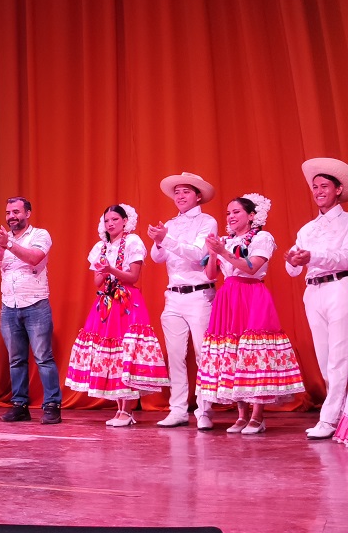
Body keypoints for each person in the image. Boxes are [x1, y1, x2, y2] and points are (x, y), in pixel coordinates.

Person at [198, 194, 305, 434]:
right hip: (228, 297)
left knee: (253, 352)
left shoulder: (262, 237)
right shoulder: (226, 240)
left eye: (236, 212)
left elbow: (252, 266)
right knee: (232, 352)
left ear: (252, 216)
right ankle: (241, 414)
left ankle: (257, 415)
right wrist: (214, 252)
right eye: (228, 213)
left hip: (251, 295)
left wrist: (223, 251)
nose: (231, 217)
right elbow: (210, 275)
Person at [66, 205, 169, 426]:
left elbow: (133, 277)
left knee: (125, 351)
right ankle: (119, 409)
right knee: (111, 352)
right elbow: (96, 281)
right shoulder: (100, 247)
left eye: (115, 219)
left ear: (125, 221)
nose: (110, 224)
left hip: (127, 300)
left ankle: (128, 410)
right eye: (107, 220)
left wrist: (111, 269)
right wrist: (103, 270)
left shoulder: (132, 242)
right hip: (106, 301)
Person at [147, 172, 218, 429]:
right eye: (177, 192)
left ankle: (204, 410)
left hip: (200, 294)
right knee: (175, 355)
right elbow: (157, 258)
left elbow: (199, 254)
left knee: (203, 353)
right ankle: (177, 409)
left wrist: (165, 239)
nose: (180, 196)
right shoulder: (171, 224)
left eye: (185, 191)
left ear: (197, 196)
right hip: (174, 295)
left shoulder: (207, 221)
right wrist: (158, 241)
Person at [285, 157, 348, 440]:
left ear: (338, 189)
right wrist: (294, 259)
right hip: (313, 290)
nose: (319, 191)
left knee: (339, 357)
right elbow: (292, 268)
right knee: (324, 357)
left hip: (339, 287)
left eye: (325, 186)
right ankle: (341, 414)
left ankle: (328, 419)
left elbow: (344, 257)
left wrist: (313, 256)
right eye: (315, 187)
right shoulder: (307, 229)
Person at [0, 197, 62, 424]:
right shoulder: (2, 239)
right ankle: (19, 405)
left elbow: (35, 258)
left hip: (36, 303)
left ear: (28, 213)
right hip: (9, 306)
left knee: (43, 357)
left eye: (16, 212)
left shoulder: (40, 235)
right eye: (8, 212)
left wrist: (8, 245)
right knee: (16, 359)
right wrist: (1, 248)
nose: (11, 216)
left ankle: (51, 405)